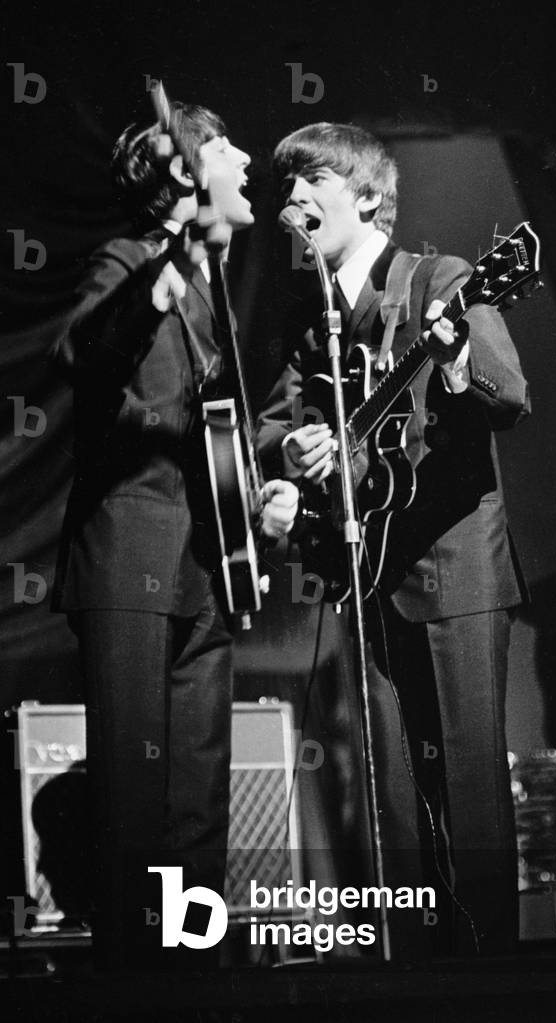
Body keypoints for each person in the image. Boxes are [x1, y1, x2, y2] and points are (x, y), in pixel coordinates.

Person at [257, 122, 530, 959]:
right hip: (367, 575)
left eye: (312, 183)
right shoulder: (317, 324)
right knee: (395, 797)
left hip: (455, 571)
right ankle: (413, 971)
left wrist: (452, 361)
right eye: (286, 187)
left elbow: (509, 392)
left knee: (470, 792)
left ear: (368, 195)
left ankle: (490, 975)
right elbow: (273, 426)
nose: (291, 201)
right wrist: (293, 452)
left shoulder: (439, 280)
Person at [51, 103, 298, 969]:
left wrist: (260, 493)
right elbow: (86, 353)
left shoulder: (216, 293)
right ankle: (130, 988)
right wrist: (148, 285)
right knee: (132, 806)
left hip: (208, 569)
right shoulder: (129, 264)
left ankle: (194, 975)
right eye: (227, 147)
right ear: (185, 177)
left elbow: (220, 432)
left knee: (198, 810)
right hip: (131, 560)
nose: (245, 160)